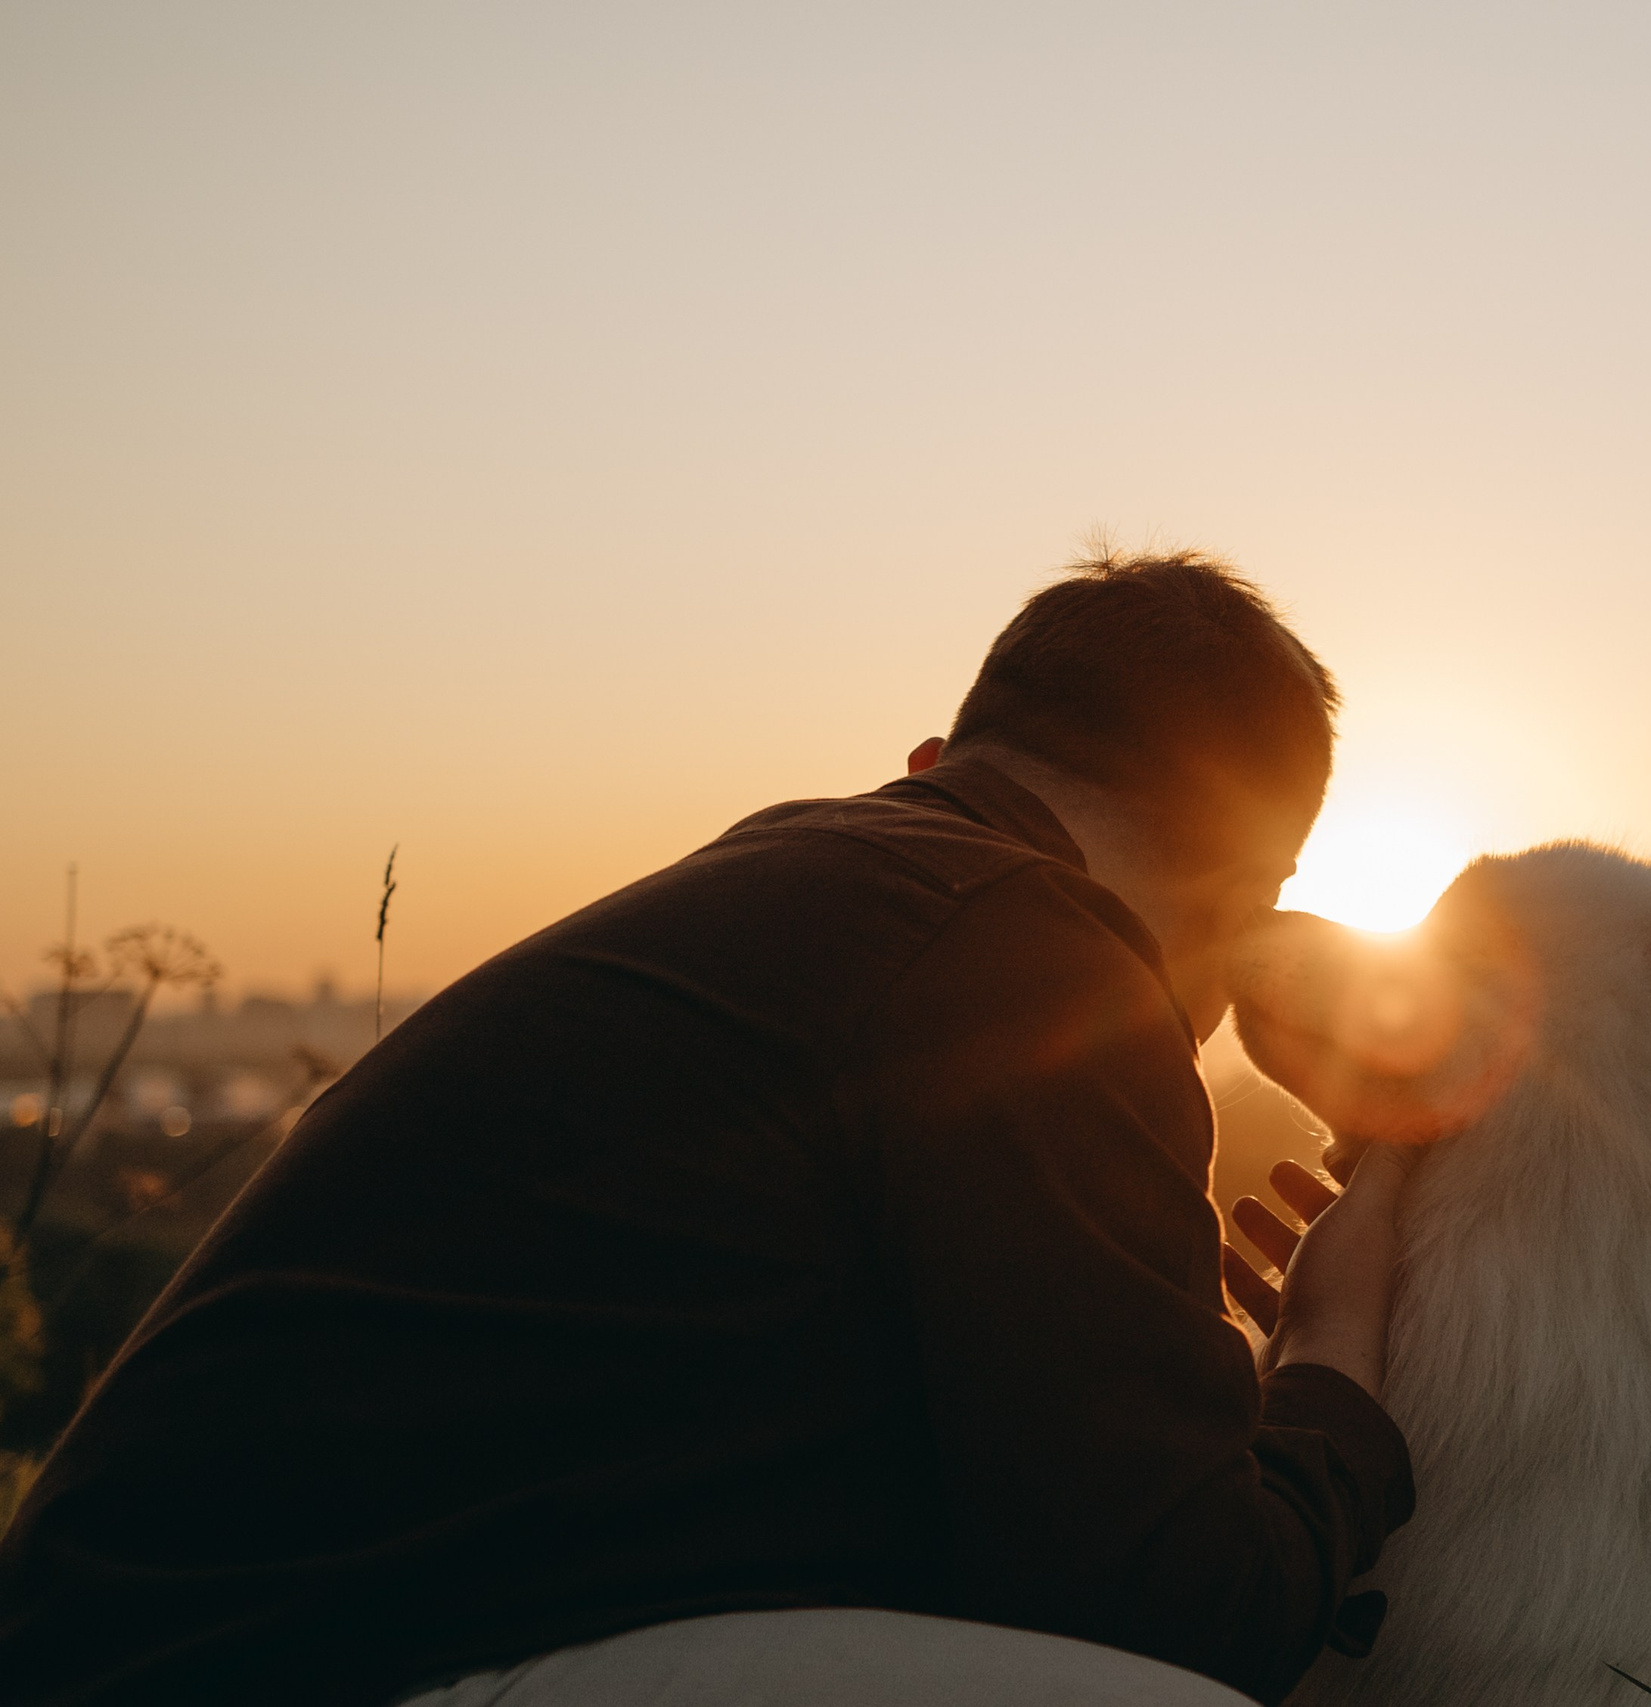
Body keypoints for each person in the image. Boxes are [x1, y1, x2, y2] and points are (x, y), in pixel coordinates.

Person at [0, 552, 1415, 1706]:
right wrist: (1341, 1359)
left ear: (934, 759)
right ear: (1248, 881)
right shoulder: (1035, 959)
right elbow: (1181, 1612)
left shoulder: (826, 892)